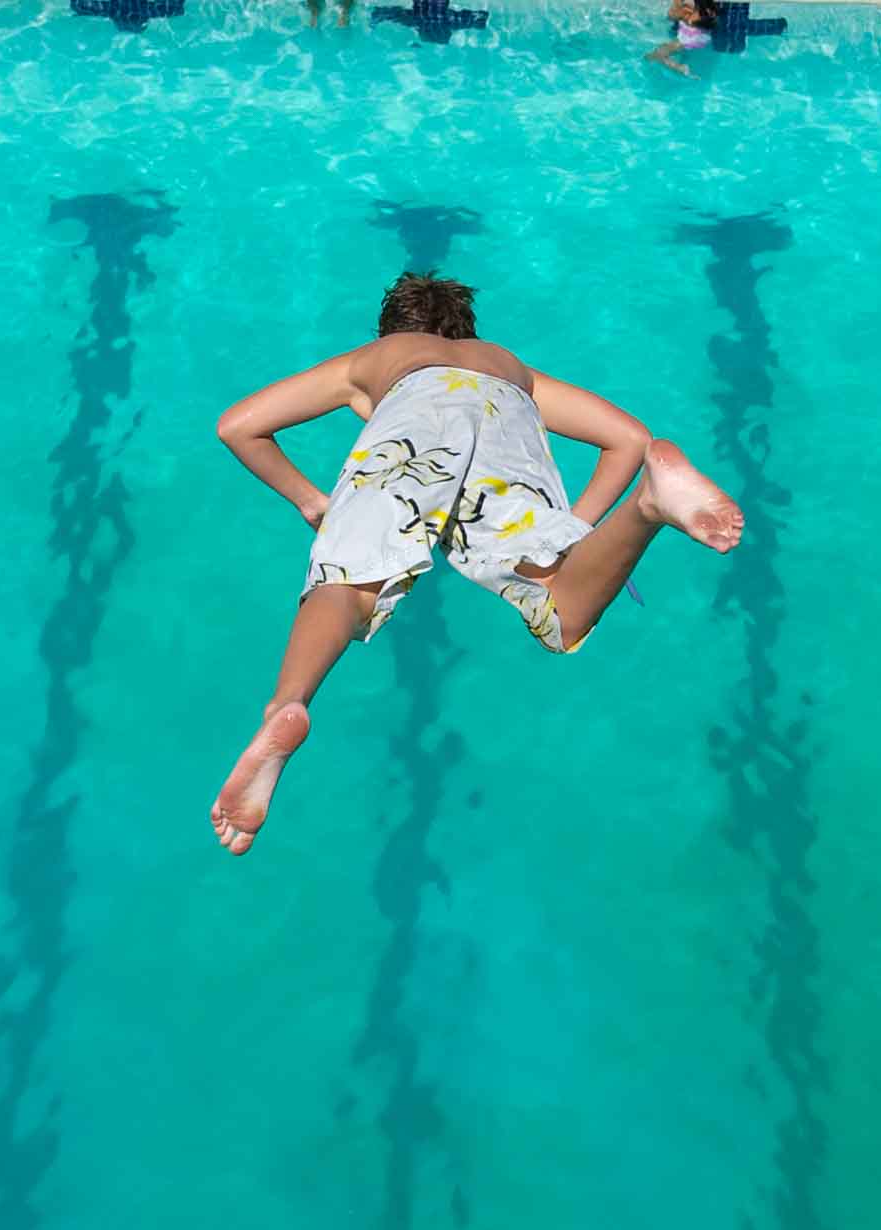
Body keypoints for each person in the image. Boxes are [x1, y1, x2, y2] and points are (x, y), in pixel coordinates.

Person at [208, 272, 746, 856]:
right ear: (464, 329)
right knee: (562, 610)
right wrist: (575, 531)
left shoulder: (375, 359)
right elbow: (630, 438)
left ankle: (288, 703)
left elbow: (238, 426)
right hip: (505, 419)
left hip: (411, 423)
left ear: (394, 329)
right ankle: (647, 507)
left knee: (349, 582)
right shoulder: (508, 364)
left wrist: (311, 501)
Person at [646, 0, 719, 78]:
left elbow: (655, 55)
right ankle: (682, 65)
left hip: (689, 39)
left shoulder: (687, 38)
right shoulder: (702, 15)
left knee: (652, 56)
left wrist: (677, 67)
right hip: (699, 34)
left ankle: (681, 68)